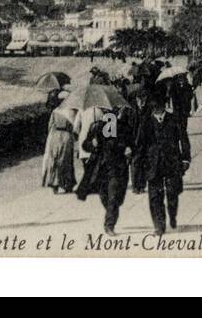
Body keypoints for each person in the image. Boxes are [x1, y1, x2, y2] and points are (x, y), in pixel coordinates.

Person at [134, 94, 191, 235]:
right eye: (153, 108)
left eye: (157, 108)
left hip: (172, 162)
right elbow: (140, 144)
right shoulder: (146, 122)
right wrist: (139, 164)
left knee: (173, 193)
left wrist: (185, 159)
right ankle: (159, 226)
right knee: (155, 196)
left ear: (163, 106)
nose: (155, 111)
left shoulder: (174, 119)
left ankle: (172, 214)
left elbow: (183, 140)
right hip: (153, 164)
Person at [76, 105, 133, 234]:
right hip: (100, 167)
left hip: (117, 167)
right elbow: (85, 144)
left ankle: (109, 225)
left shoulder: (124, 128)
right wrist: (92, 144)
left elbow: (133, 143)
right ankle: (111, 212)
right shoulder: (96, 127)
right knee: (104, 196)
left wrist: (128, 149)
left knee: (113, 196)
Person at [41, 99, 78, 194]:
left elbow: (50, 126)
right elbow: (75, 127)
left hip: (56, 135)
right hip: (67, 136)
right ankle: (67, 184)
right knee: (66, 160)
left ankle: (54, 183)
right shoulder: (72, 111)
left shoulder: (55, 111)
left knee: (55, 159)